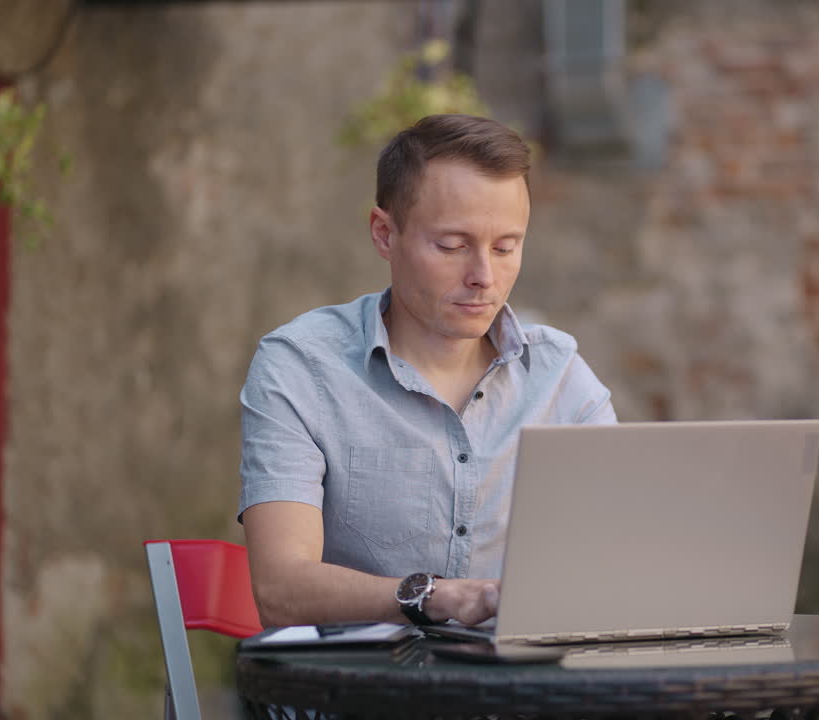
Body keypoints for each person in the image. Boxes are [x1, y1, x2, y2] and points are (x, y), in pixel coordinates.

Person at [238, 114, 616, 629]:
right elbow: (282, 589)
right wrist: (435, 597)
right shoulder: (302, 368)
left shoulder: (561, 376)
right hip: (358, 693)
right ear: (384, 234)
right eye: (452, 246)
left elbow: (618, 563)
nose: (484, 276)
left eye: (506, 247)